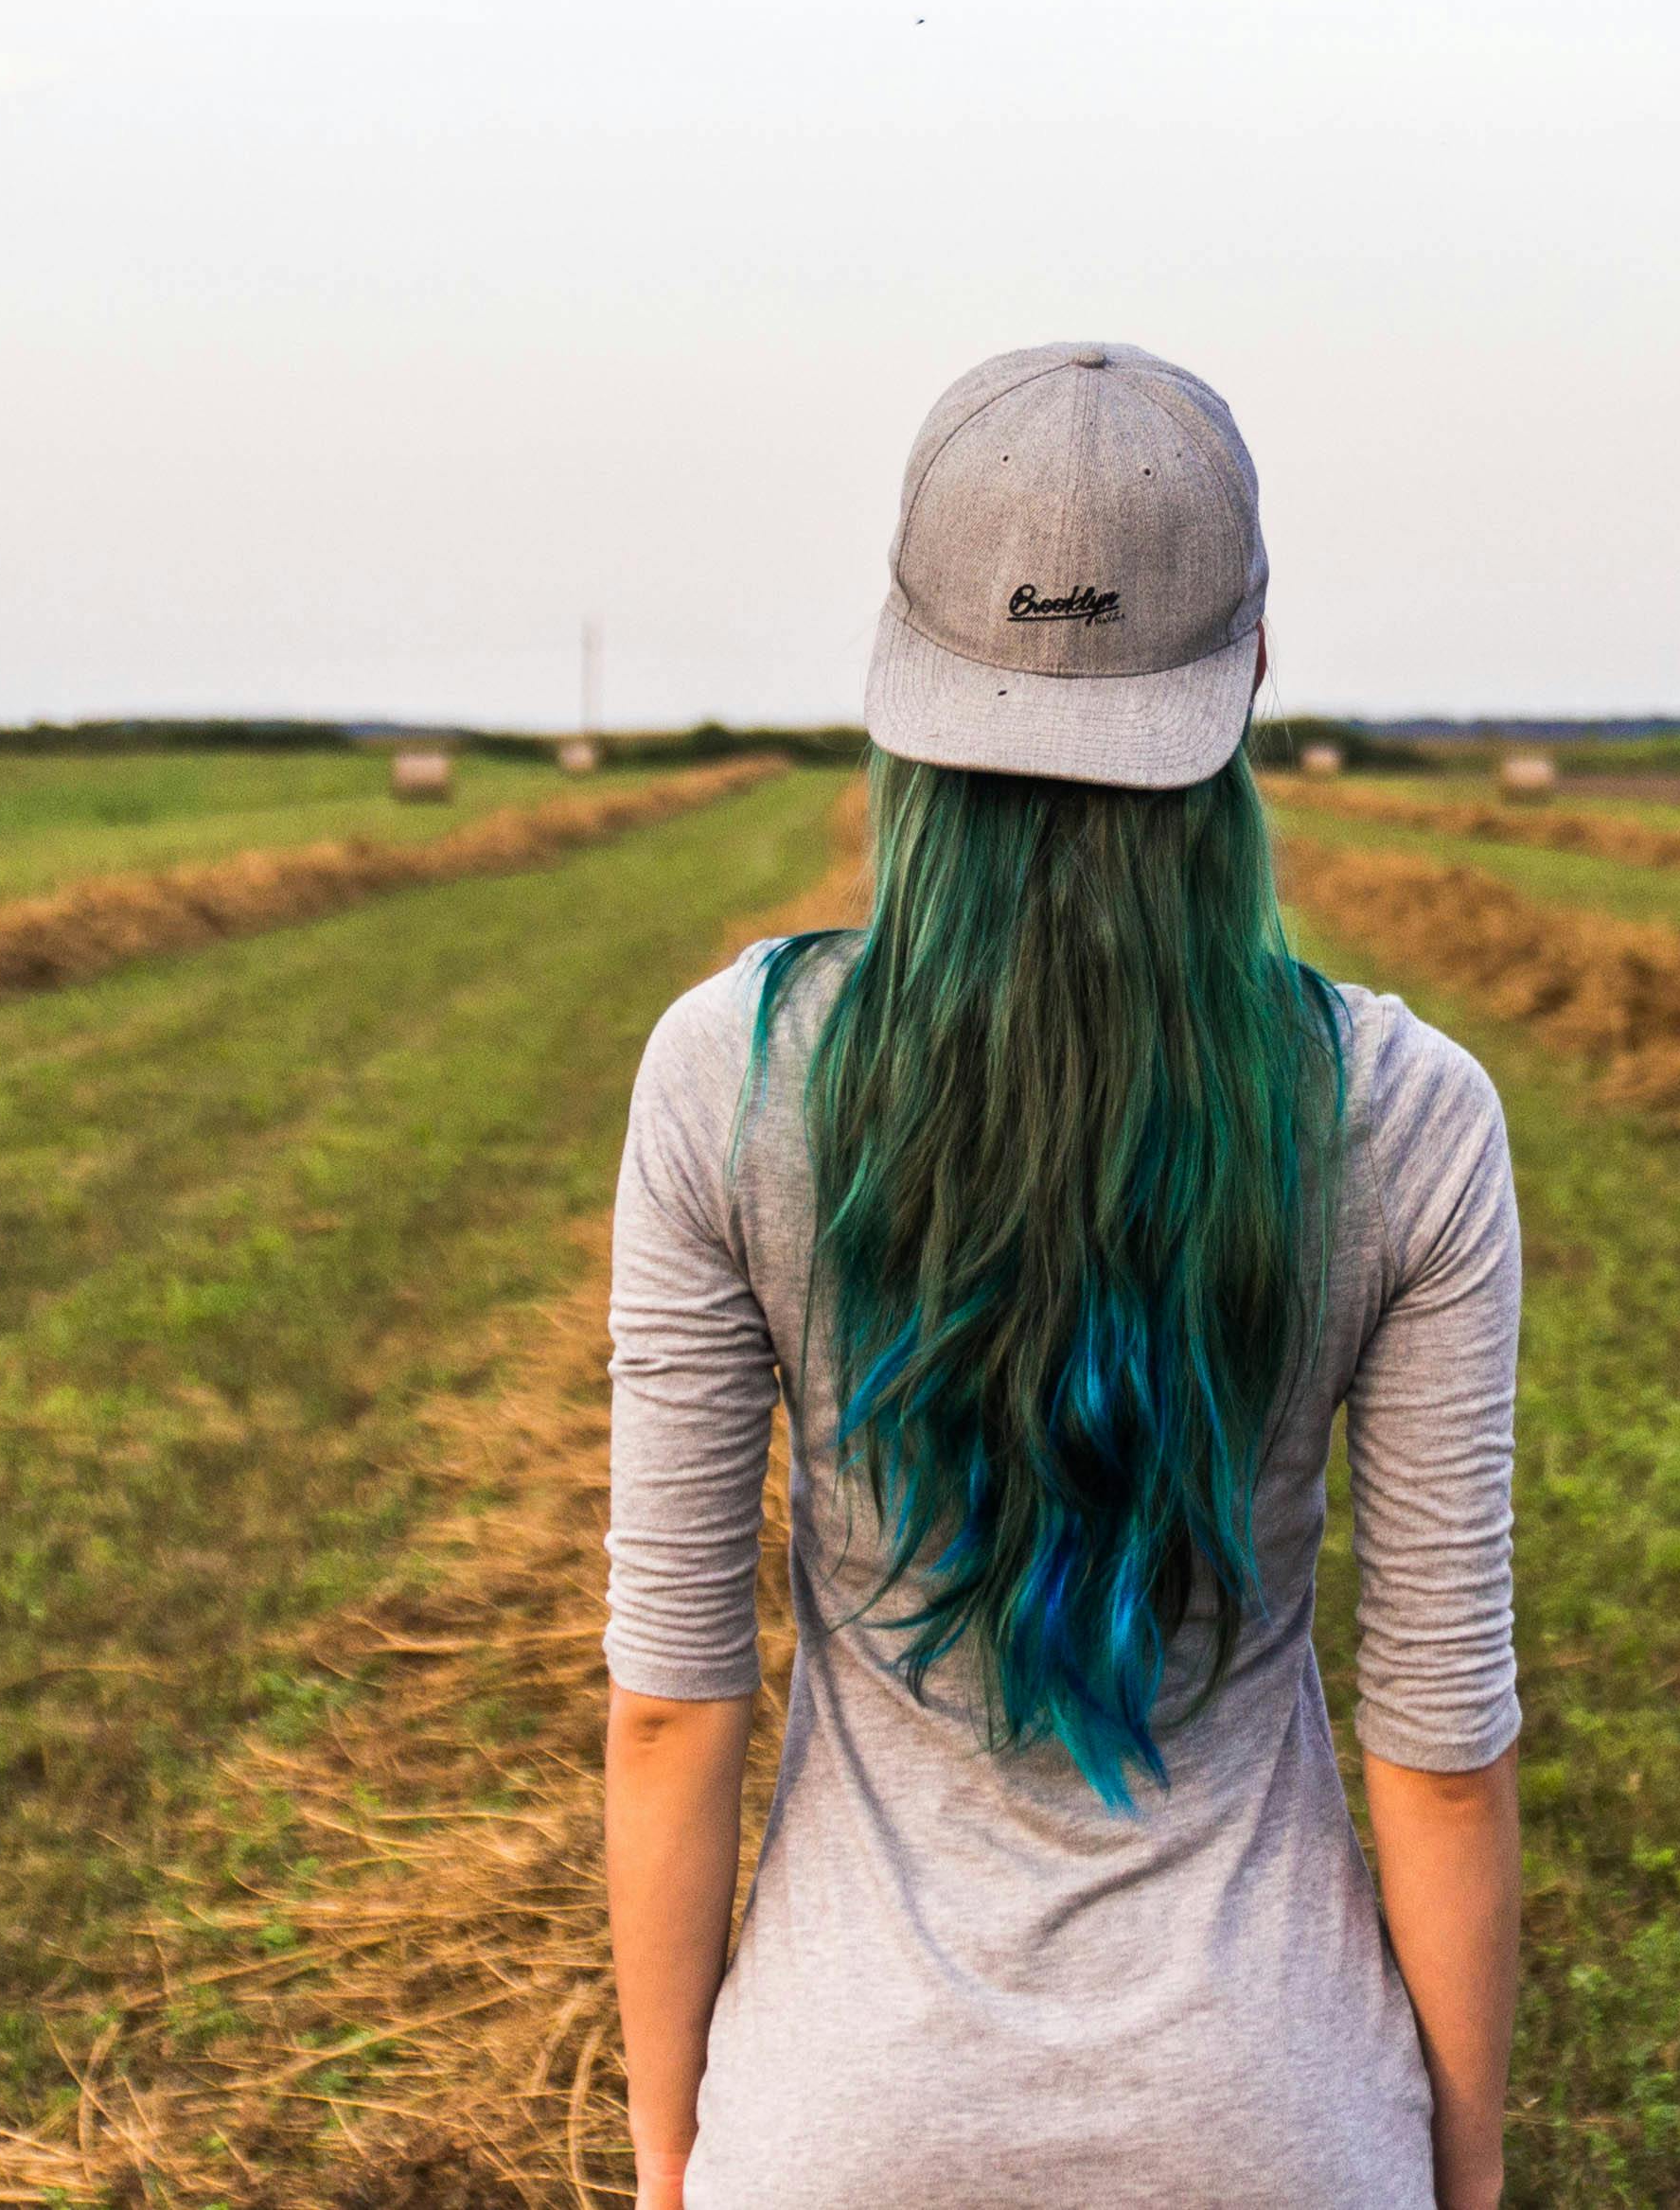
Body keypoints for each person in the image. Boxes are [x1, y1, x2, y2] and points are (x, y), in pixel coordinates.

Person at [605, 342, 1525, 2210]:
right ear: (1251, 666)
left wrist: (670, 2134)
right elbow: (1434, 1742)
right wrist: (1461, 2161)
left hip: (835, 2131)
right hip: (1271, 2128)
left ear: (897, 673)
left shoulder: (729, 1073)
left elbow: (669, 1701)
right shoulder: (1407, 1117)